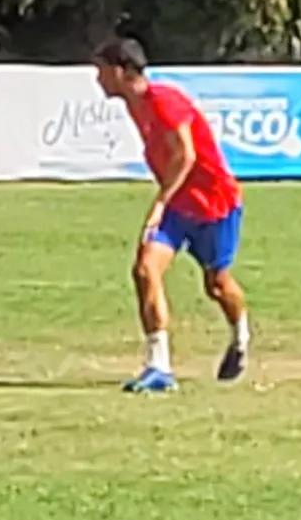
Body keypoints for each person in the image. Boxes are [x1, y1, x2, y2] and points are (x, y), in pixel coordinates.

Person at [96, 37, 251, 392]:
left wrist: (160, 201)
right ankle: (159, 367)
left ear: (120, 71)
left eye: (101, 70)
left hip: (213, 204)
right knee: (144, 269)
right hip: (179, 208)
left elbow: (187, 155)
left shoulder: (164, 100)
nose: (97, 79)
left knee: (217, 285)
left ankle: (240, 335)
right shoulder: (135, 106)